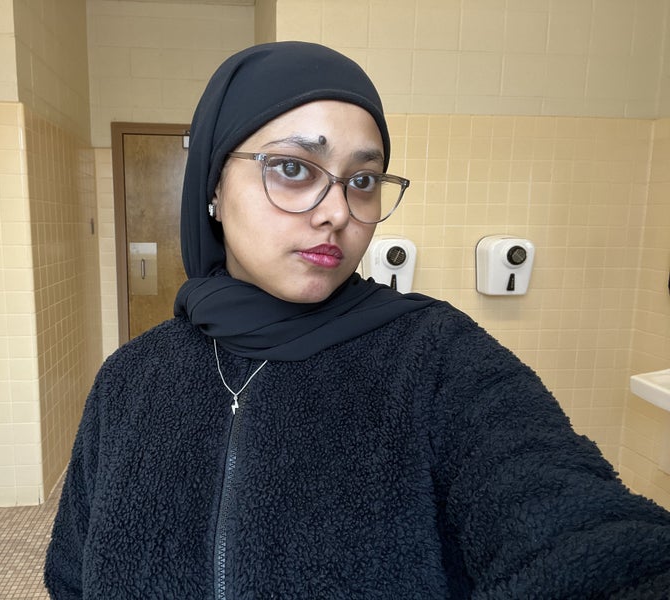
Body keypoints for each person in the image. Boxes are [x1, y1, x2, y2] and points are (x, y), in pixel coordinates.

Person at [44, 41, 670, 599]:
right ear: (213, 186)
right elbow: (73, 574)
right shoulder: (131, 379)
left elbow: (584, 537)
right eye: (293, 168)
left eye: (362, 180)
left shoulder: (439, 360)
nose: (338, 212)